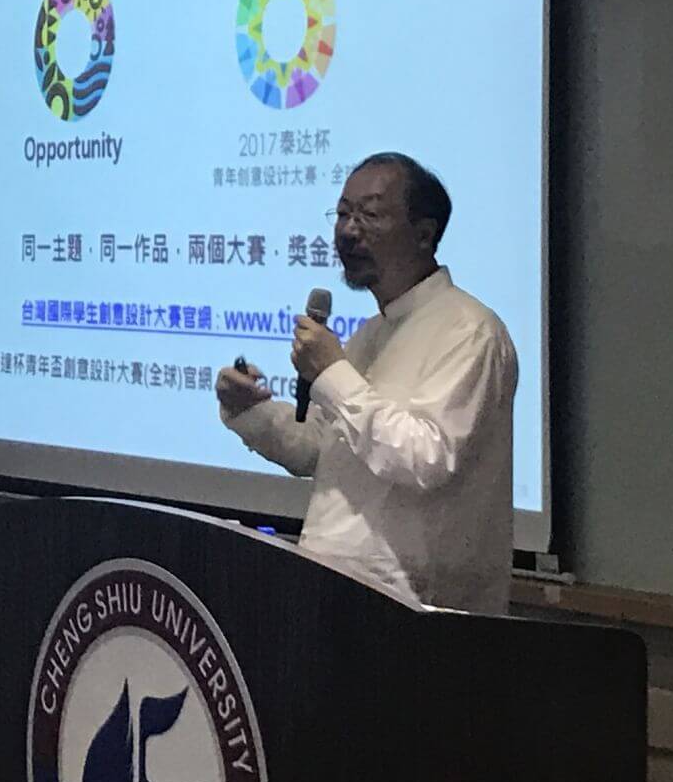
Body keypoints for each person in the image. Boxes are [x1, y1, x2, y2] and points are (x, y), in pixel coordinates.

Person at [216, 152, 517, 613]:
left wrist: (332, 373)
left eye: (370, 215)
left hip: (414, 613)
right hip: (332, 592)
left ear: (424, 234)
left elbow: (426, 459)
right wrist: (248, 410)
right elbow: (321, 449)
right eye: (342, 214)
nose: (348, 231)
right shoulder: (371, 333)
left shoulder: (469, 331)